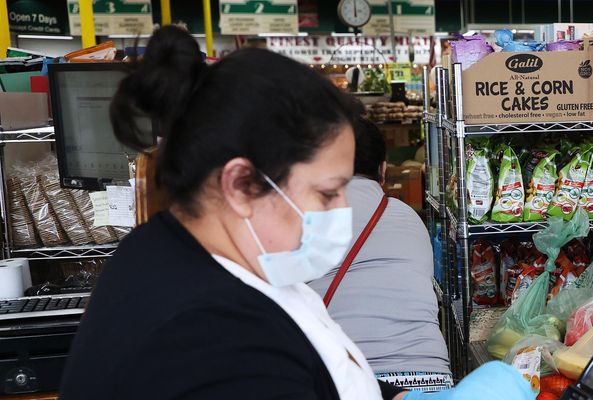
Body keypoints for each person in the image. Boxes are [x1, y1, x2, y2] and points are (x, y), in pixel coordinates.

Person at [60, 26, 531, 400]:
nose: (341, 210)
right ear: (241, 185)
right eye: (327, 193)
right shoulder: (208, 336)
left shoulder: (187, 254)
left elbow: (312, 370)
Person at [307, 117, 452, 392]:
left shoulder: (305, 219)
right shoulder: (410, 218)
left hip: (346, 379)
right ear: (383, 170)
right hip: (429, 379)